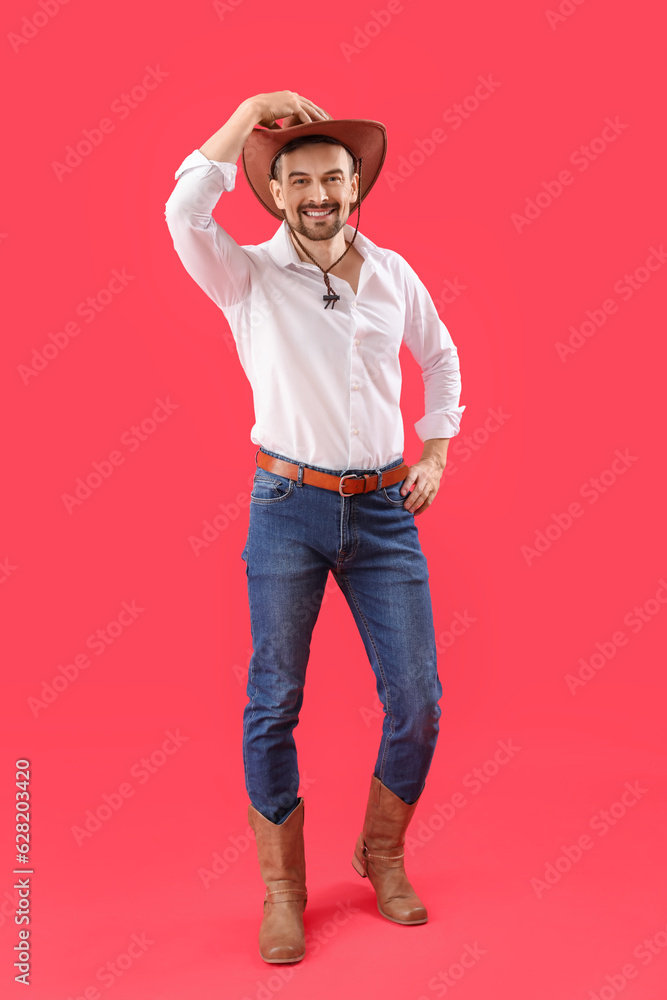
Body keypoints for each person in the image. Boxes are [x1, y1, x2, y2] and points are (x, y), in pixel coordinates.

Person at [164, 90, 466, 964]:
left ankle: (381, 852)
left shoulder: (392, 274)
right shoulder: (246, 276)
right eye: (298, 181)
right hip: (286, 508)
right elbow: (185, 204)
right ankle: (283, 892)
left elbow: (439, 354)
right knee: (274, 701)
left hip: (382, 514)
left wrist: (435, 450)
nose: (318, 194)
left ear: (356, 182)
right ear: (276, 192)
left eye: (333, 176)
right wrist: (251, 107)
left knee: (416, 701)